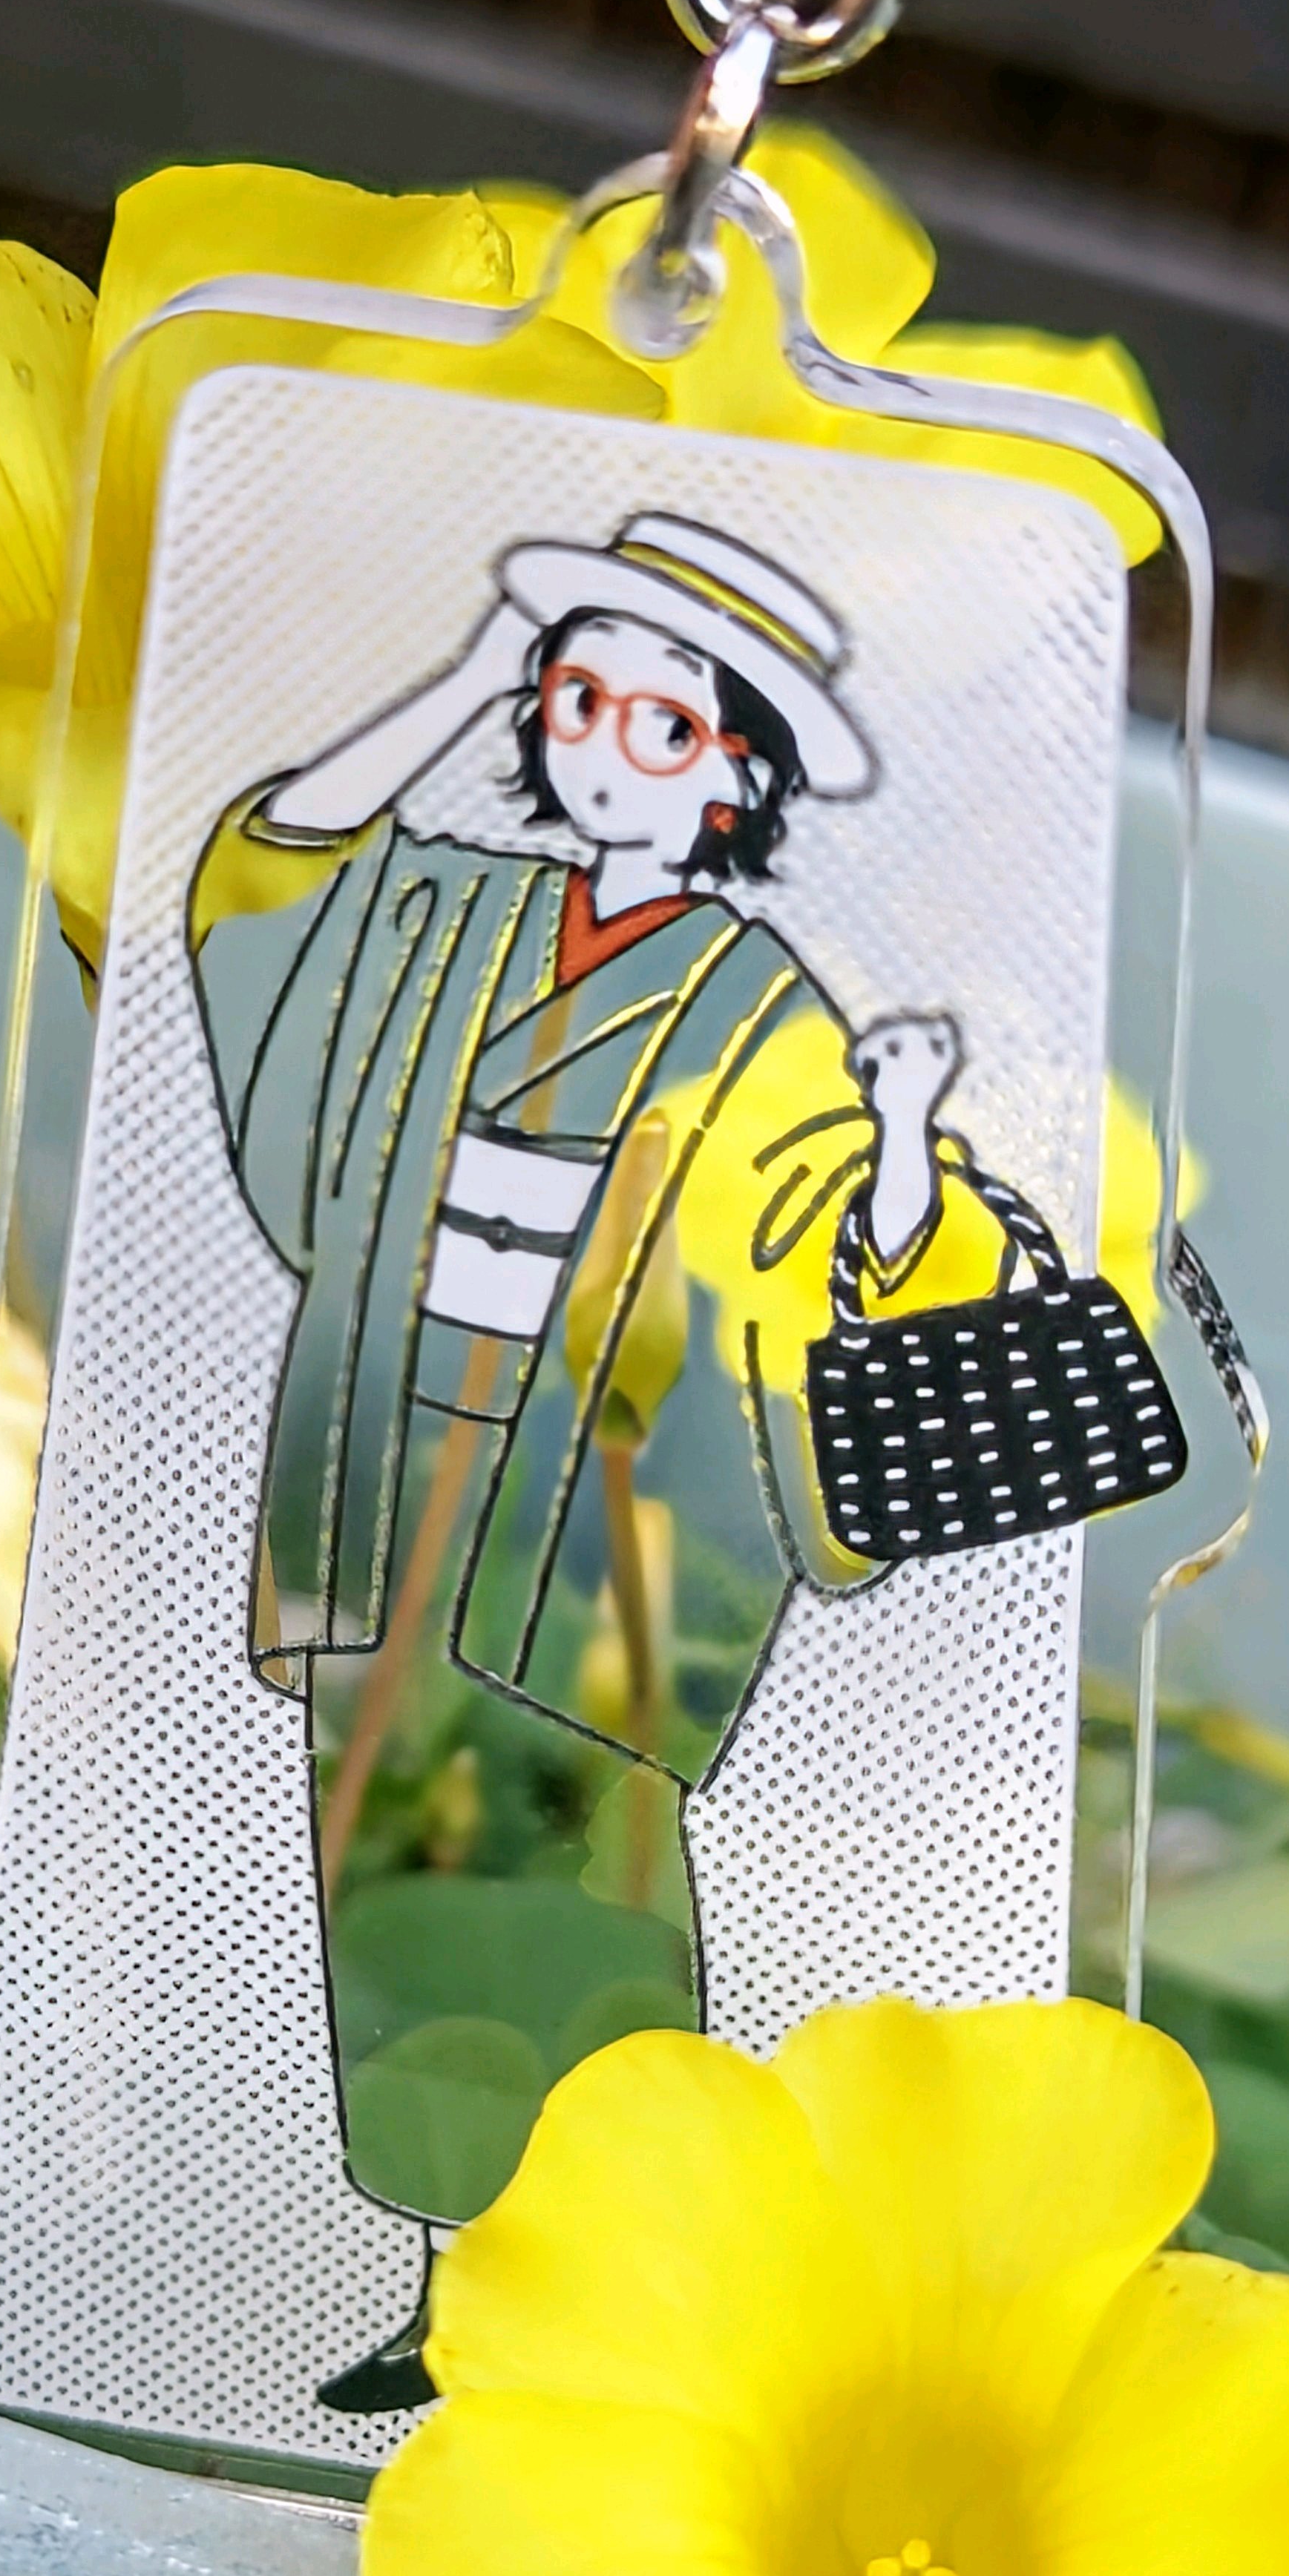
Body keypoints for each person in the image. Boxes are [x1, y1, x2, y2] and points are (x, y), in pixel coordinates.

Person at [189, 513, 1020, 2411]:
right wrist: (463, 673)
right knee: (361, 1846)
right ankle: (421, 2269)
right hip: (388, 1425)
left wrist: (903, 1135)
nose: (595, 748)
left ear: (737, 776)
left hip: (596, 1483)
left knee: (591, 1881)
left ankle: (598, 2279)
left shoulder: (767, 1003)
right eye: (570, 703)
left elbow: (846, 1249)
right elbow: (268, 878)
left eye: (658, 723)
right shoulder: (461, 909)